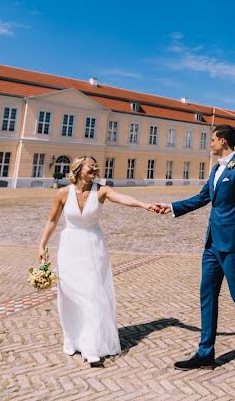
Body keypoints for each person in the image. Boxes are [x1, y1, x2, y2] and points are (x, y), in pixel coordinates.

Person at [153, 124, 235, 392]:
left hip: (232, 246)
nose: (210, 144)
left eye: (213, 140)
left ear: (224, 141)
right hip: (212, 246)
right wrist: (171, 208)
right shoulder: (217, 169)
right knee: (207, 295)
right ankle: (206, 354)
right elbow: (203, 197)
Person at [37, 156, 158, 367]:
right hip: (70, 248)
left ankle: (91, 346)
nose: (95, 169)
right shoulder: (63, 193)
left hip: (93, 247)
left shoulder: (101, 190)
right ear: (78, 169)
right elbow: (52, 220)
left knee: (92, 294)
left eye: (96, 167)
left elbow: (121, 198)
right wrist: (42, 245)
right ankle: (72, 338)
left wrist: (144, 204)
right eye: (90, 166)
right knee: (70, 295)